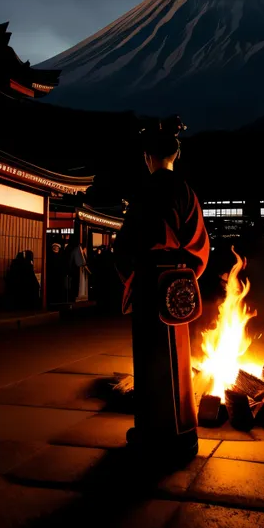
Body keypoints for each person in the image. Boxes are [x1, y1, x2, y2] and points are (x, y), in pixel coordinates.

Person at [113, 115, 209, 468]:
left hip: (149, 281)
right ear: (175, 155)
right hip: (177, 285)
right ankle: (184, 435)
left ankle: (153, 435)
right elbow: (199, 244)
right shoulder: (186, 192)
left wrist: (134, 277)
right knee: (178, 359)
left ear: (148, 157)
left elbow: (124, 247)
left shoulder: (142, 194)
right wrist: (185, 277)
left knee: (151, 360)